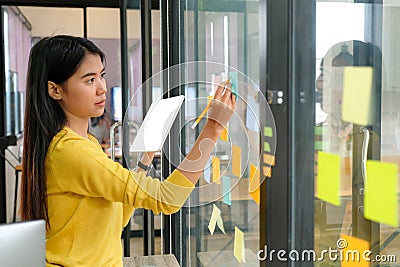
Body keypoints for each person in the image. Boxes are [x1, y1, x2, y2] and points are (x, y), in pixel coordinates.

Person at [19, 35, 236, 266]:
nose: (102, 88)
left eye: (101, 75)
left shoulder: (85, 142)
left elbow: (117, 218)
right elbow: (168, 198)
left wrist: (145, 159)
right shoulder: (72, 151)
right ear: (55, 90)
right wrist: (213, 128)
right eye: (89, 80)